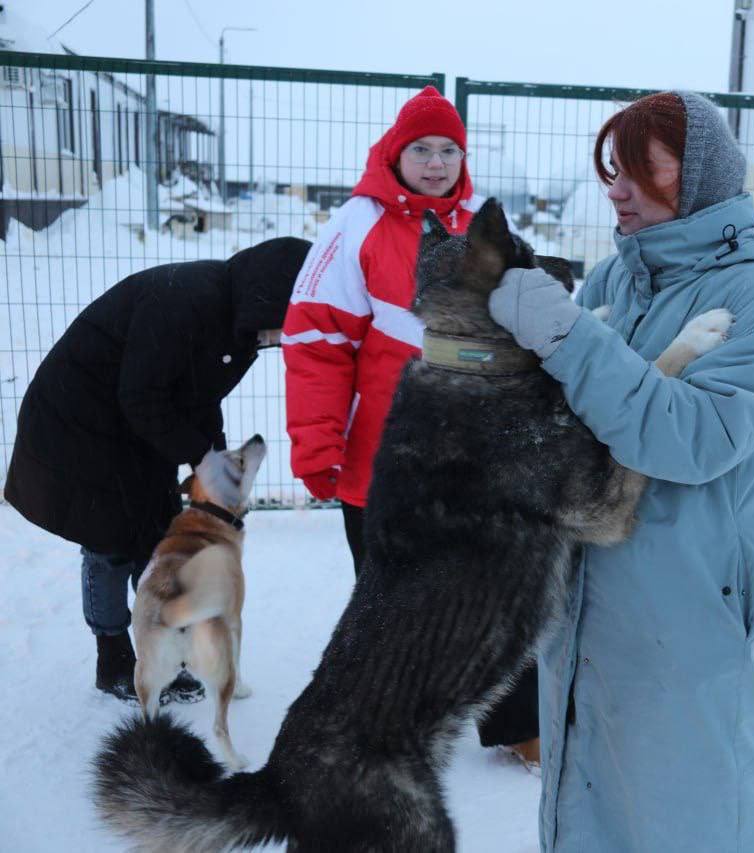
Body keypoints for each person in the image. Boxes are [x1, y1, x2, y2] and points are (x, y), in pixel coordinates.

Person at [488, 91, 754, 851]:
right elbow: (561, 422)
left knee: (686, 819)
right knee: (589, 814)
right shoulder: (616, 279)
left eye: (640, 169)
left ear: (696, 173)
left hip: (685, 623)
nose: (617, 188)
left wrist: (566, 337)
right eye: (612, 170)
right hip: (582, 616)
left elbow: (690, 437)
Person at [281, 85, 539, 767]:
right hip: (383, 464)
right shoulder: (355, 226)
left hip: (471, 460)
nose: (435, 162)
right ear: (395, 154)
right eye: (421, 149)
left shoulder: (484, 228)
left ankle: (521, 725)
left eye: (448, 149)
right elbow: (316, 342)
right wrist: (317, 443)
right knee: (390, 604)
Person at [3, 237, 311, 702]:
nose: (284, 337)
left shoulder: (238, 325)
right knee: (109, 543)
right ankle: (113, 659)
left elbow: (200, 396)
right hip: (79, 426)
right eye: (287, 323)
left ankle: (162, 651)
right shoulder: (184, 304)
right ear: (270, 297)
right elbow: (142, 397)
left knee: (155, 537)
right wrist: (203, 458)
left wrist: (215, 459)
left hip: (132, 429)